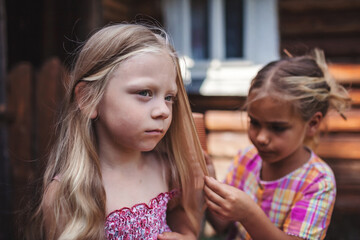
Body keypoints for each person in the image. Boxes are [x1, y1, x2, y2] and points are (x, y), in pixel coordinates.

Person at [25, 23, 208, 240]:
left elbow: (184, 223)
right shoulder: (67, 194)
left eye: (169, 97)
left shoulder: (168, 170)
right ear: (88, 99)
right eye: (144, 92)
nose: (163, 111)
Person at [204, 49, 351, 240]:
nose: (262, 137)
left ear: (312, 124)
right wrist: (208, 184)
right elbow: (220, 224)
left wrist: (248, 214)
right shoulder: (246, 159)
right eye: (255, 122)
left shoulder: (318, 181)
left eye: (277, 128)